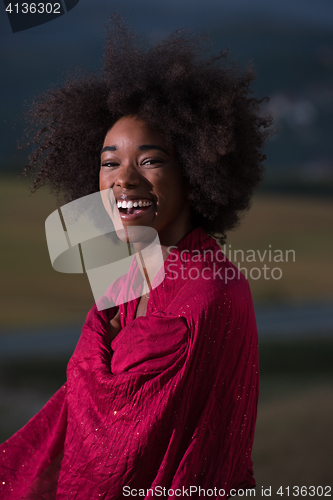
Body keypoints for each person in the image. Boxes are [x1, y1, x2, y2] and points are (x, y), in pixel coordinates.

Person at [0, 17, 271, 499]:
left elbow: (142, 455)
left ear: (195, 169)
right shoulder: (125, 281)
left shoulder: (209, 293)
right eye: (110, 161)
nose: (123, 179)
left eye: (149, 159)